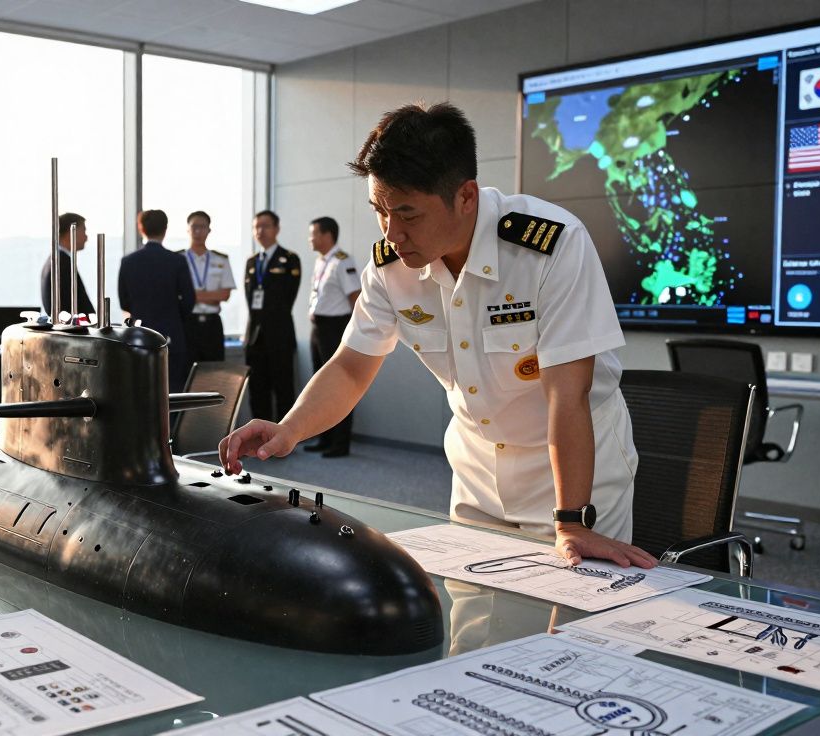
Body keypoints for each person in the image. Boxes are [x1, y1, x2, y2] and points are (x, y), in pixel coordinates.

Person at [220, 103, 656, 570]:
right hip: (475, 473)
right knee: (470, 627)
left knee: (575, 627)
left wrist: (571, 521)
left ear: (466, 196)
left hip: (572, 481)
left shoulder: (550, 246)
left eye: (407, 214)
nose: (393, 232)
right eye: (379, 211)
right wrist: (290, 428)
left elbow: (567, 395)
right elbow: (351, 366)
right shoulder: (391, 268)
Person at [118, 209, 196, 393]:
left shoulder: (128, 261)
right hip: (172, 335)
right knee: (173, 391)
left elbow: (124, 302)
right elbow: (189, 301)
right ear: (165, 229)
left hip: (140, 335)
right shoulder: (176, 260)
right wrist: (175, 318)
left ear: (140, 228)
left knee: (141, 390)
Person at [304, 216, 361, 458]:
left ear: (327, 235)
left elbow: (355, 298)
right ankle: (324, 437)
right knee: (320, 385)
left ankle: (340, 442)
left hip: (336, 328)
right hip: (319, 328)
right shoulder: (321, 261)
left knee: (338, 386)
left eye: (314, 233)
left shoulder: (342, 261)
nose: (310, 238)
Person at [242, 210, 301, 422]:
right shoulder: (251, 262)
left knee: (283, 387)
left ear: (276, 229)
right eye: (256, 226)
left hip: (279, 335)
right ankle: (258, 436)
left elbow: (288, 298)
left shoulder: (290, 259)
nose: (260, 231)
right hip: (255, 337)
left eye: (265, 226)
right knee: (258, 388)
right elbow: (251, 302)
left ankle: (284, 438)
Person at [182, 211, 237, 364]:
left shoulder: (221, 259)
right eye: (194, 227)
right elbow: (175, 295)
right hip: (187, 323)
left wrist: (192, 295)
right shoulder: (178, 259)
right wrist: (211, 296)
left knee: (214, 371)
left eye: (202, 227)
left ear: (209, 230)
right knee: (186, 371)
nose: (198, 232)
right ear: (188, 229)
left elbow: (225, 295)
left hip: (212, 324)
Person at [40, 212, 95, 321]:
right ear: (71, 232)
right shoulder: (61, 263)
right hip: (75, 333)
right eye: (83, 230)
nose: (86, 237)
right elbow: (66, 308)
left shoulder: (57, 260)